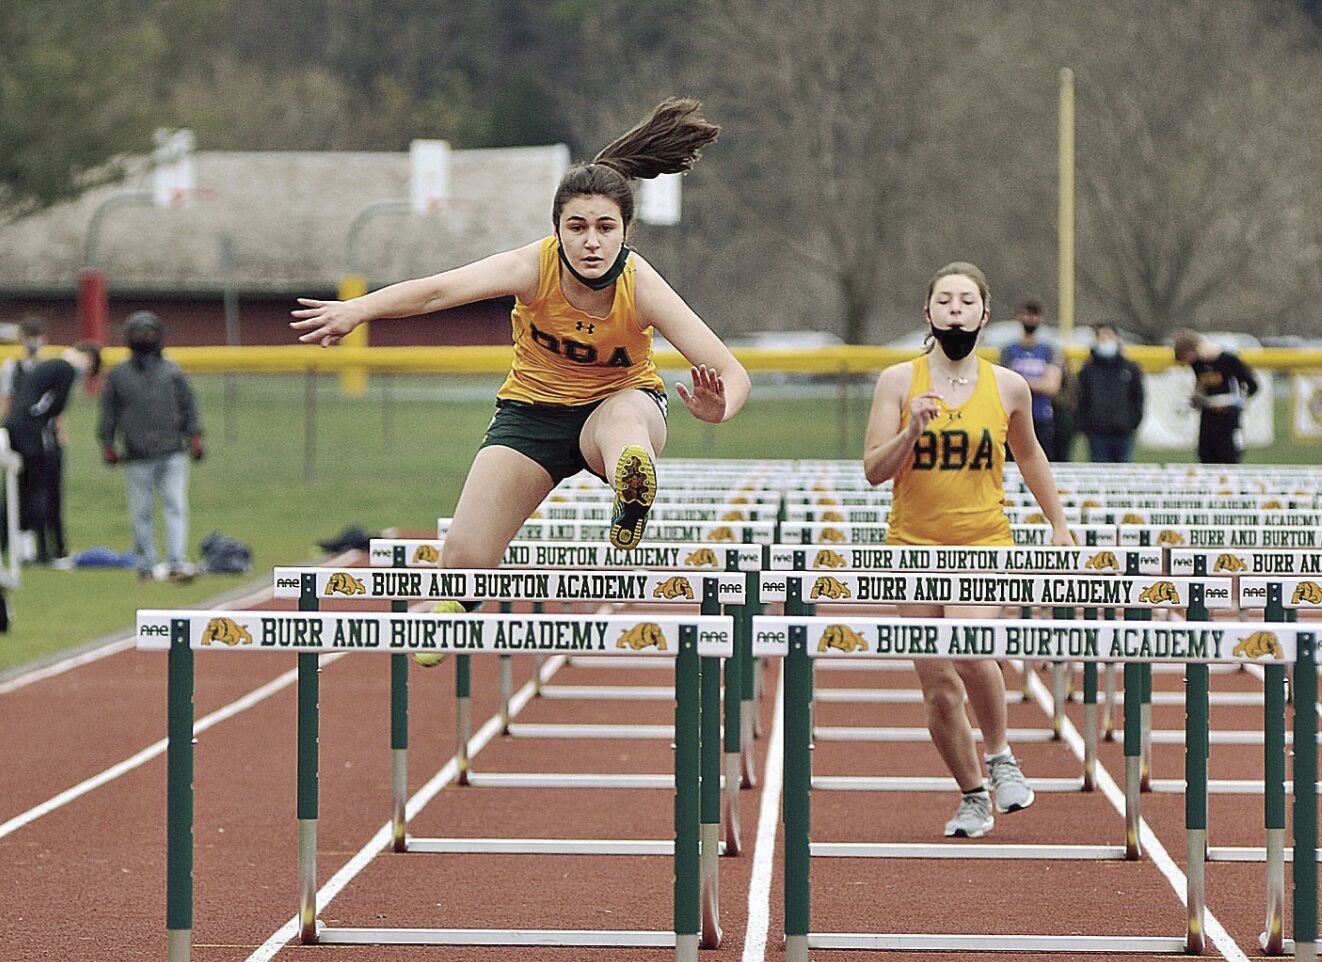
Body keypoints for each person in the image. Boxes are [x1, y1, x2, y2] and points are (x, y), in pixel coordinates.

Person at [290, 98, 749, 665]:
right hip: (531, 415)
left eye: (606, 228)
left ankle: (631, 489)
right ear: (556, 230)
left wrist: (718, 407)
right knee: (461, 558)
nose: (591, 242)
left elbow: (731, 372)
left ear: (625, 231)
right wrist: (359, 310)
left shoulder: (641, 284)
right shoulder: (533, 267)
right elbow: (439, 290)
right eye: (576, 227)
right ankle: (457, 601)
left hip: (619, 406)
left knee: (624, 422)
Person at [862, 262, 1073, 839]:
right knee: (937, 690)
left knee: (969, 641)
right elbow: (873, 471)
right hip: (912, 549)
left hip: (983, 542)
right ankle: (973, 794)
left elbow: (1029, 456)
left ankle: (1002, 754)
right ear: (928, 313)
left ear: (984, 314)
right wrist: (912, 431)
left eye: (966, 300)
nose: (955, 309)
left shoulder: (1008, 386)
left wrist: (1057, 522)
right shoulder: (897, 382)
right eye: (945, 300)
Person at [97, 311, 205, 583]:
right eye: (139, 334)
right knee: (141, 512)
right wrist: (107, 443)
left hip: (172, 451)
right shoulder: (118, 375)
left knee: (175, 505)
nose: (145, 338)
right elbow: (108, 412)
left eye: (150, 333)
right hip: (136, 455)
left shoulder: (172, 371)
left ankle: (176, 562)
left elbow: (188, 406)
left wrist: (195, 436)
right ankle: (145, 565)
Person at [4, 340, 100, 563]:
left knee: (23, 488)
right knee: (38, 490)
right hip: (31, 431)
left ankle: (25, 547)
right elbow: (54, 406)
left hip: (17, 427)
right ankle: (43, 549)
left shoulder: (51, 366)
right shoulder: (65, 369)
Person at [0, 316, 49, 561]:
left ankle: (33, 542)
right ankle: (7, 540)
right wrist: (6, 430)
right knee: (12, 488)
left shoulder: (47, 367)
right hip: (17, 434)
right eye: (28, 336)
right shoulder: (11, 367)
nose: (32, 342)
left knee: (36, 491)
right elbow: (5, 401)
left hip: (39, 436)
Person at [1172, 330, 1259, 465]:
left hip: (1228, 417)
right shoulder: (1197, 364)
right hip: (1208, 416)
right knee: (1206, 456)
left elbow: (1252, 385)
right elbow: (1202, 388)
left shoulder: (1229, 361)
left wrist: (1236, 403)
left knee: (1228, 456)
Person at [999, 299, 1066, 461]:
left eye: (1034, 315)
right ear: (1019, 317)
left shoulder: (1049, 350)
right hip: (1014, 418)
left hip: (1041, 417)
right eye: (1027, 315)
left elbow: (1052, 386)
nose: (1030, 320)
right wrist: (1036, 382)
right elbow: (1005, 385)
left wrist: (1021, 382)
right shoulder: (1008, 350)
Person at [1075, 323, 1146, 463]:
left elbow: (1138, 398)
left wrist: (1132, 423)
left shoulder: (1130, 368)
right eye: (1102, 337)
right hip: (1097, 433)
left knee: (1123, 476)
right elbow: (1081, 399)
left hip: (1123, 432)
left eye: (1109, 336)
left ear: (1117, 338)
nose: (1106, 340)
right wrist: (1085, 425)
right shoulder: (1088, 370)